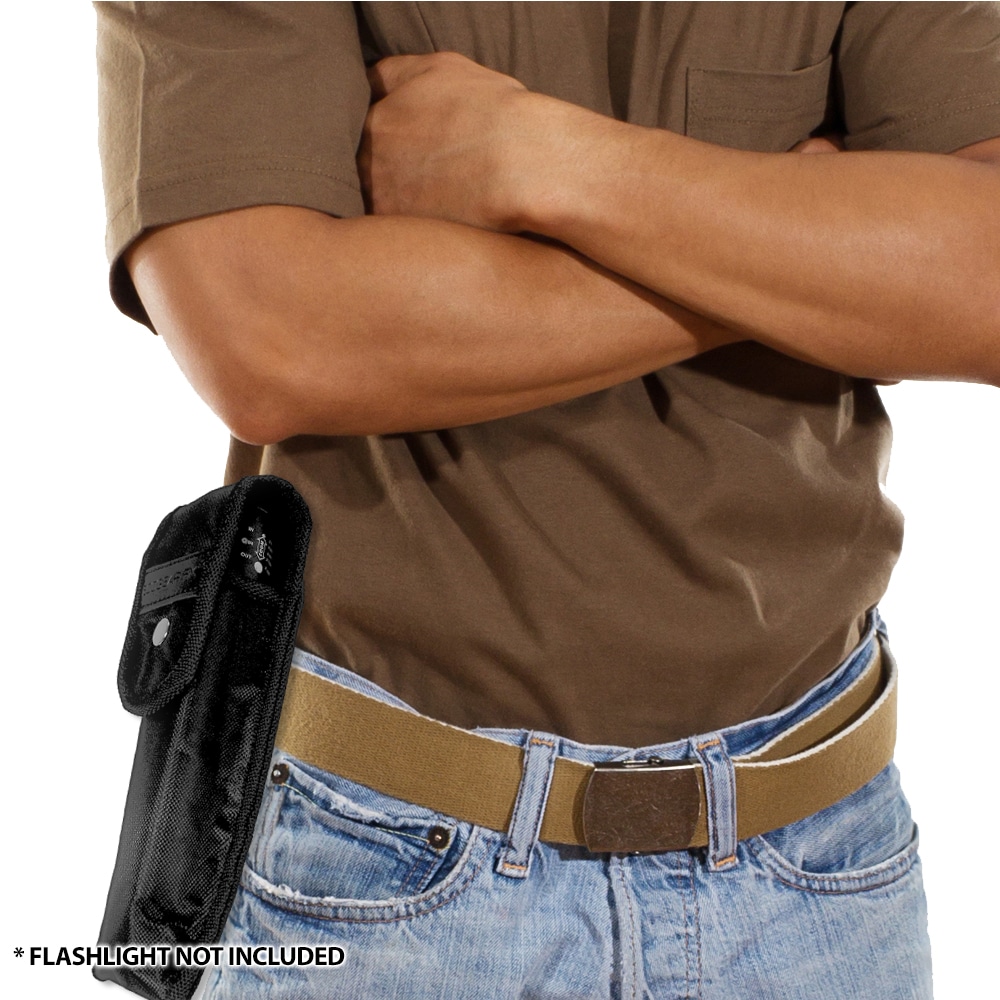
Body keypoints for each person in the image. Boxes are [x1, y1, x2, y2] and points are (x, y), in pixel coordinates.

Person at [94, 3, 999, 997]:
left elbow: (983, 279)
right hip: (377, 858)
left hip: (817, 854)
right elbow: (270, 337)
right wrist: (806, 241)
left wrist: (552, 162)